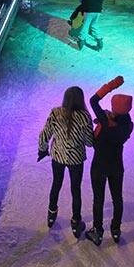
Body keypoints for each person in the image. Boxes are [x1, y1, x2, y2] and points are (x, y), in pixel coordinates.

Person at [37, 86, 94, 238]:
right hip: (76, 159)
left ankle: (51, 214)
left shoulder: (56, 113)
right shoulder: (85, 117)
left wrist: (42, 149)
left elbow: (45, 134)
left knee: (56, 183)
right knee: (76, 189)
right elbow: (89, 142)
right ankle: (76, 223)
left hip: (58, 156)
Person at [85, 76, 133, 246]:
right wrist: (109, 118)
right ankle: (116, 229)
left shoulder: (105, 122)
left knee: (98, 200)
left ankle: (97, 232)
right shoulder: (128, 124)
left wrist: (111, 85)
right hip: (117, 167)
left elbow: (93, 100)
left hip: (99, 166)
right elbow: (116, 124)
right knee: (117, 198)